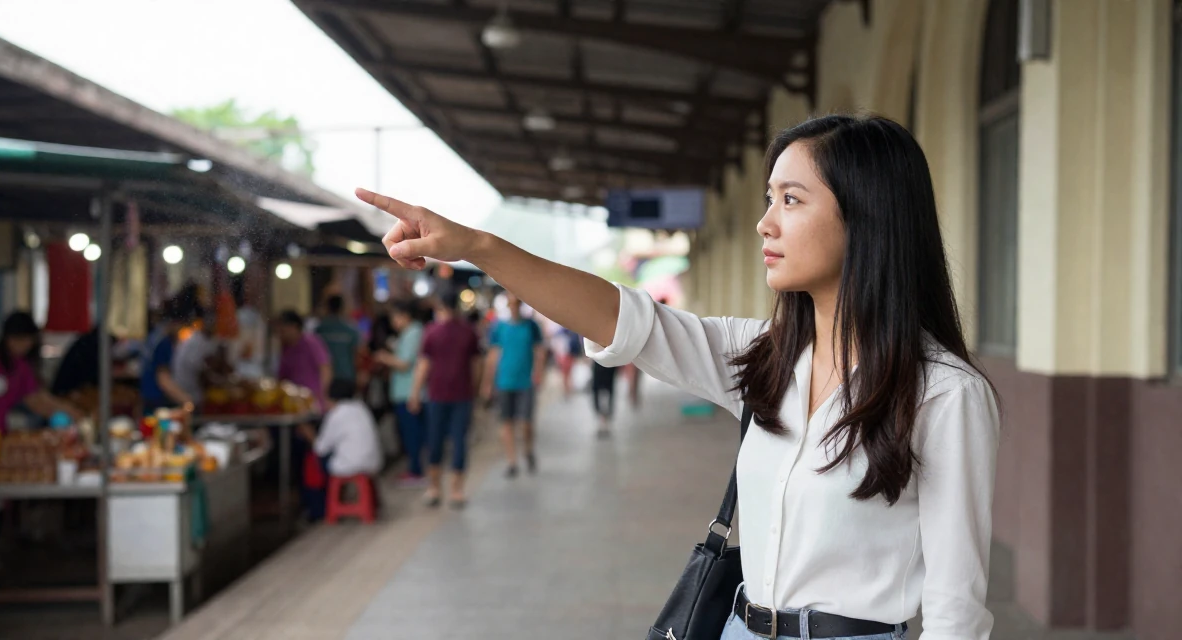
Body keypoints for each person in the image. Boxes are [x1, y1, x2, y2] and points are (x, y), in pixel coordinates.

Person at [357, 113, 1002, 640]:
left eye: (792, 200)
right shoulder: (764, 357)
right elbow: (625, 319)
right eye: (768, 199)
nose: (765, 222)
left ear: (867, 216)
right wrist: (480, 248)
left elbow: (956, 610)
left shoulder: (945, 395)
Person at [0, 312, 80, 586]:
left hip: (4, 445)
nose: (24, 346)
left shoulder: (20, 367)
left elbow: (37, 399)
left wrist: (68, 411)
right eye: (21, 340)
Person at [409, 292, 480, 509]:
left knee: (435, 441)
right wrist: (475, 390)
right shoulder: (469, 331)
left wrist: (415, 393)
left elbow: (423, 365)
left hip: (437, 395)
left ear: (439, 307)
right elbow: (477, 365)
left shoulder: (432, 332)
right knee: (459, 441)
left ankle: (434, 489)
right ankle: (457, 491)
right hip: (463, 394)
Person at [297, 379, 382, 520]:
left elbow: (320, 448)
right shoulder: (361, 408)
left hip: (351, 465)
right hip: (373, 462)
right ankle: (362, 503)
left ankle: (318, 509)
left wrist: (308, 432)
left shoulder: (336, 414)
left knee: (313, 460)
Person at [482, 294, 545, 477]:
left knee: (526, 422)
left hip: (525, 381)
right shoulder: (499, 327)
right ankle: (512, 461)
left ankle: (528, 450)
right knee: (506, 422)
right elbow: (492, 356)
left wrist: (539, 374)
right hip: (504, 382)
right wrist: (487, 383)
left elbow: (540, 351)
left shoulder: (531, 326)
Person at [372, 300, 426, 486]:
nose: (393, 321)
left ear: (405, 316)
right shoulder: (409, 333)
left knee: (412, 434)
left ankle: (416, 471)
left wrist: (384, 357)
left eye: (394, 317)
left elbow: (404, 363)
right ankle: (415, 469)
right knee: (410, 433)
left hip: (409, 393)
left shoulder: (413, 333)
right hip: (407, 392)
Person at [140, 301, 195, 415]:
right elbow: (163, 379)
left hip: (148, 397)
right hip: (158, 401)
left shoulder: (154, 336)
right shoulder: (164, 343)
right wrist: (185, 400)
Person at [276, 310, 332, 411]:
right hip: (294, 401)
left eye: (283, 331)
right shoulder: (286, 348)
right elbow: (282, 377)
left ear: (293, 327)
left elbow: (325, 368)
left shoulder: (311, 343)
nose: (280, 335)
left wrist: (323, 395)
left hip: (313, 400)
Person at [172, 311, 225, 413]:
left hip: (193, 393)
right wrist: (218, 382)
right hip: (185, 392)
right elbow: (201, 372)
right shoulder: (195, 341)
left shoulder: (210, 340)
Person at [314, 295, 360, 387]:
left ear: (327, 308)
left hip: (324, 378)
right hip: (346, 376)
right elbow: (357, 354)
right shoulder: (350, 330)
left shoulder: (319, 330)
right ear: (342, 308)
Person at [591, 361, 617, 439]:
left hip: (607, 362)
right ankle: (603, 418)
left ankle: (604, 418)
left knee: (605, 389)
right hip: (606, 362)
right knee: (603, 389)